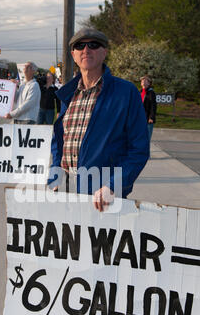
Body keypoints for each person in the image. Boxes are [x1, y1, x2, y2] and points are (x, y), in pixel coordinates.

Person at [48, 28, 149, 212]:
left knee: (97, 242)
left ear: (104, 52)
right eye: (79, 46)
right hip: (65, 192)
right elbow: (58, 141)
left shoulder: (125, 93)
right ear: (73, 54)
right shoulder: (68, 94)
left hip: (103, 196)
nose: (86, 49)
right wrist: (55, 176)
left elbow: (139, 149)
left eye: (93, 45)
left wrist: (113, 186)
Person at [140, 75, 157, 141]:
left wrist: (151, 117)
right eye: (142, 81)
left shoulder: (151, 93)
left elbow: (153, 105)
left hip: (147, 118)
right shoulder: (140, 92)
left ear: (149, 83)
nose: (143, 82)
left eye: (145, 81)